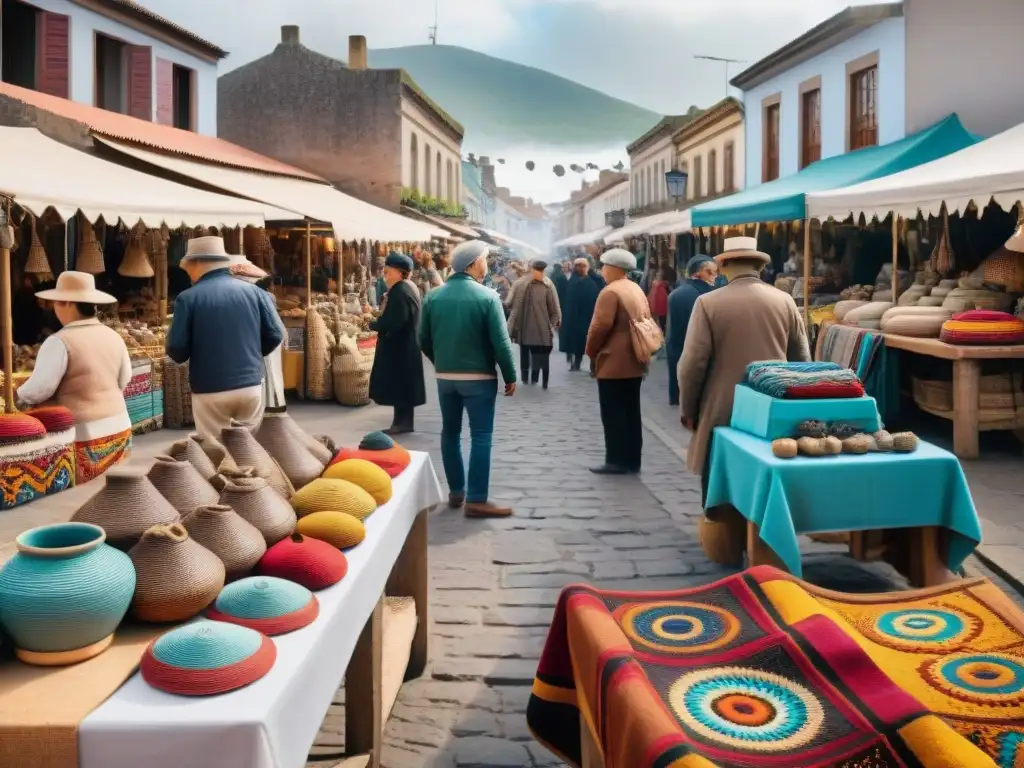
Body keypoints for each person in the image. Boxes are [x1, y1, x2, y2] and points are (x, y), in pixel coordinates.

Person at [677, 237, 810, 565]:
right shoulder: (784, 301)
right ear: (761, 266)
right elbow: (802, 359)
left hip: (725, 405)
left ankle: (727, 543)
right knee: (768, 468)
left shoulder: (709, 303)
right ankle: (767, 542)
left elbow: (692, 364)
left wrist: (689, 409)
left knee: (719, 471)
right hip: (773, 403)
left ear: (722, 266)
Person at [419, 240, 517, 518]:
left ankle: (456, 491)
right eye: (485, 259)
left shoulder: (434, 296)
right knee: (481, 435)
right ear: (474, 263)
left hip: (445, 378)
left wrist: (441, 362)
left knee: (449, 432)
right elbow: (501, 343)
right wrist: (510, 375)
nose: (487, 263)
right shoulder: (487, 297)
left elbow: (423, 338)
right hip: (479, 378)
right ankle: (476, 499)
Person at [17, 271, 133, 483]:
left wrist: (17, 393)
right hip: (120, 429)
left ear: (67, 302)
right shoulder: (114, 336)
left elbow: (39, 390)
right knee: (111, 496)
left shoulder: (59, 341)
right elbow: (125, 379)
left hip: (85, 436)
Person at [166, 236, 284, 439]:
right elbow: (276, 333)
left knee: (216, 450)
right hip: (250, 386)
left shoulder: (188, 298)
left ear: (197, 264)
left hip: (209, 389)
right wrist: (252, 353)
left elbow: (176, 348)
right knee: (250, 449)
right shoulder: (255, 292)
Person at [585, 248, 651, 475]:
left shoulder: (610, 292)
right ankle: (633, 459)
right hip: (635, 357)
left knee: (613, 411)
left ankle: (615, 460)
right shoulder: (635, 289)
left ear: (613, 268)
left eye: (604, 266)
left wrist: (591, 351)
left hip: (613, 360)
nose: (602, 270)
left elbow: (600, 326)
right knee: (632, 410)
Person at [369, 252, 425, 435]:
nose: (385, 274)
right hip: (406, 345)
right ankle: (401, 422)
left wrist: (374, 324)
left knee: (401, 386)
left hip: (401, 346)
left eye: (388, 270)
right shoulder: (409, 287)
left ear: (399, 272)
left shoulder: (401, 290)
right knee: (403, 387)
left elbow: (395, 320)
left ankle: (402, 423)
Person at [665, 256, 718, 406]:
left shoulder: (676, 294)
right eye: (711, 272)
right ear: (700, 272)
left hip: (677, 350)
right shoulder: (708, 296)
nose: (715, 276)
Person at [507, 260, 561, 388]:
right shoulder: (521, 284)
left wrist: (555, 320)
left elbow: (554, 305)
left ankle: (533, 377)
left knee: (534, 351)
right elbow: (510, 301)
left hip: (539, 324)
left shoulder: (547, 284)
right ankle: (527, 377)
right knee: (526, 351)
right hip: (524, 324)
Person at [563, 258, 600, 372]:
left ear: (587, 267)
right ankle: (576, 363)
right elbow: (567, 298)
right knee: (577, 341)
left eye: (583, 266)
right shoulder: (572, 281)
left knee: (591, 341)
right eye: (578, 266)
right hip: (575, 316)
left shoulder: (593, 281)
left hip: (589, 316)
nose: (580, 268)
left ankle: (593, 366)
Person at [550, 261, 570, 362]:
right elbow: (567, 289)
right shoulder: (562, 277)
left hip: (551, 302)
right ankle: (561, 341)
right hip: (561, 302)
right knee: (560, 322)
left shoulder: (551, 276)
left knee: (551, 321)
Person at [647, 264, 673, 333]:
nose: (657, 274)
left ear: (664, 275)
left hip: (658, 320)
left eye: (659, 272)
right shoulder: (658, 286)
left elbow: (661, 310)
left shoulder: (660, 288)